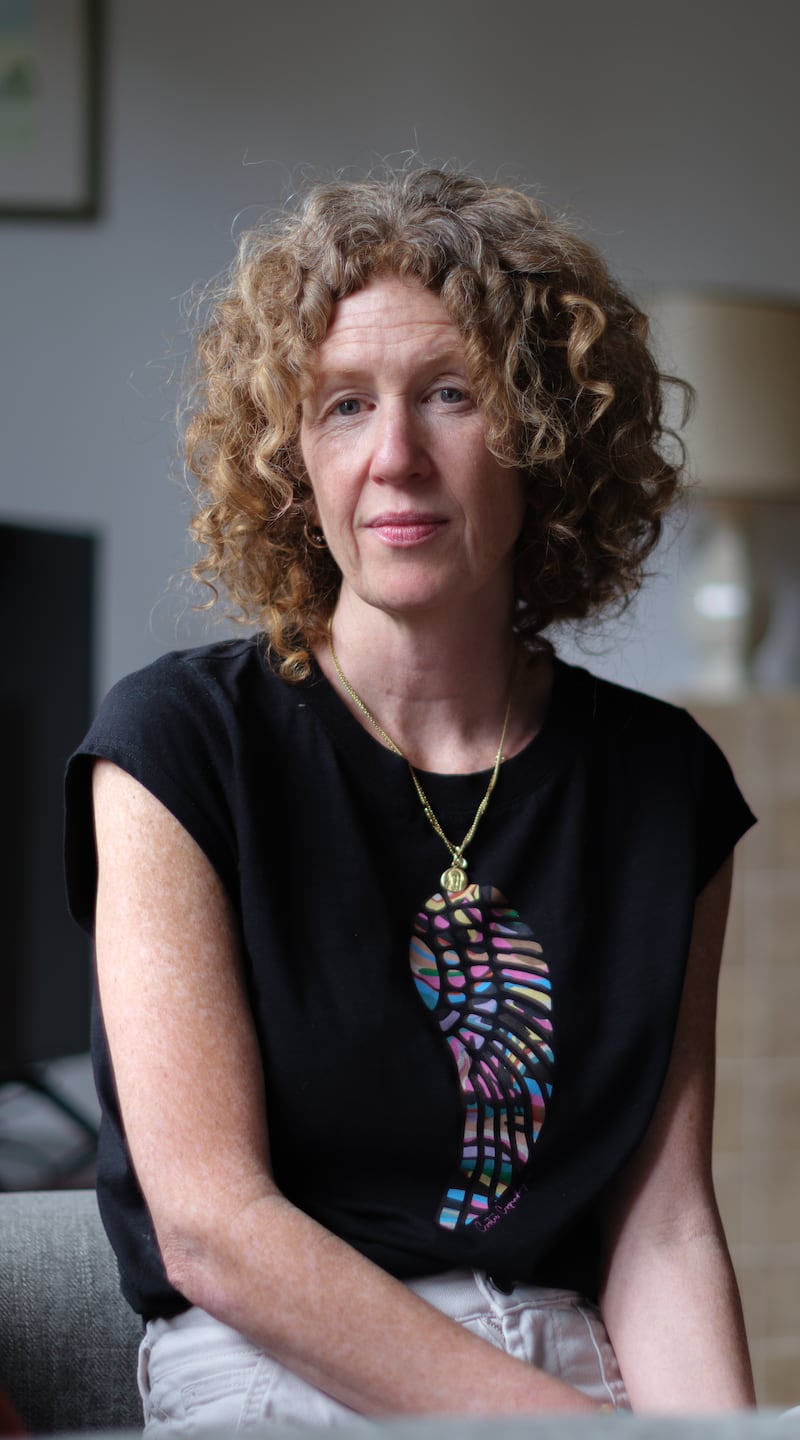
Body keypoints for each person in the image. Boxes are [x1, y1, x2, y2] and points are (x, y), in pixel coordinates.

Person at [65, 167, 758, 1429]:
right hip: (272, 1374)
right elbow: (214, 1233)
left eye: (450, 395)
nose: (394, 458)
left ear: (543, 436)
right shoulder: (174, 746)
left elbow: (658, 1233)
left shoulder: (665, 788)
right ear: (290, 458)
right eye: (341, 406)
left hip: (574, 1360)